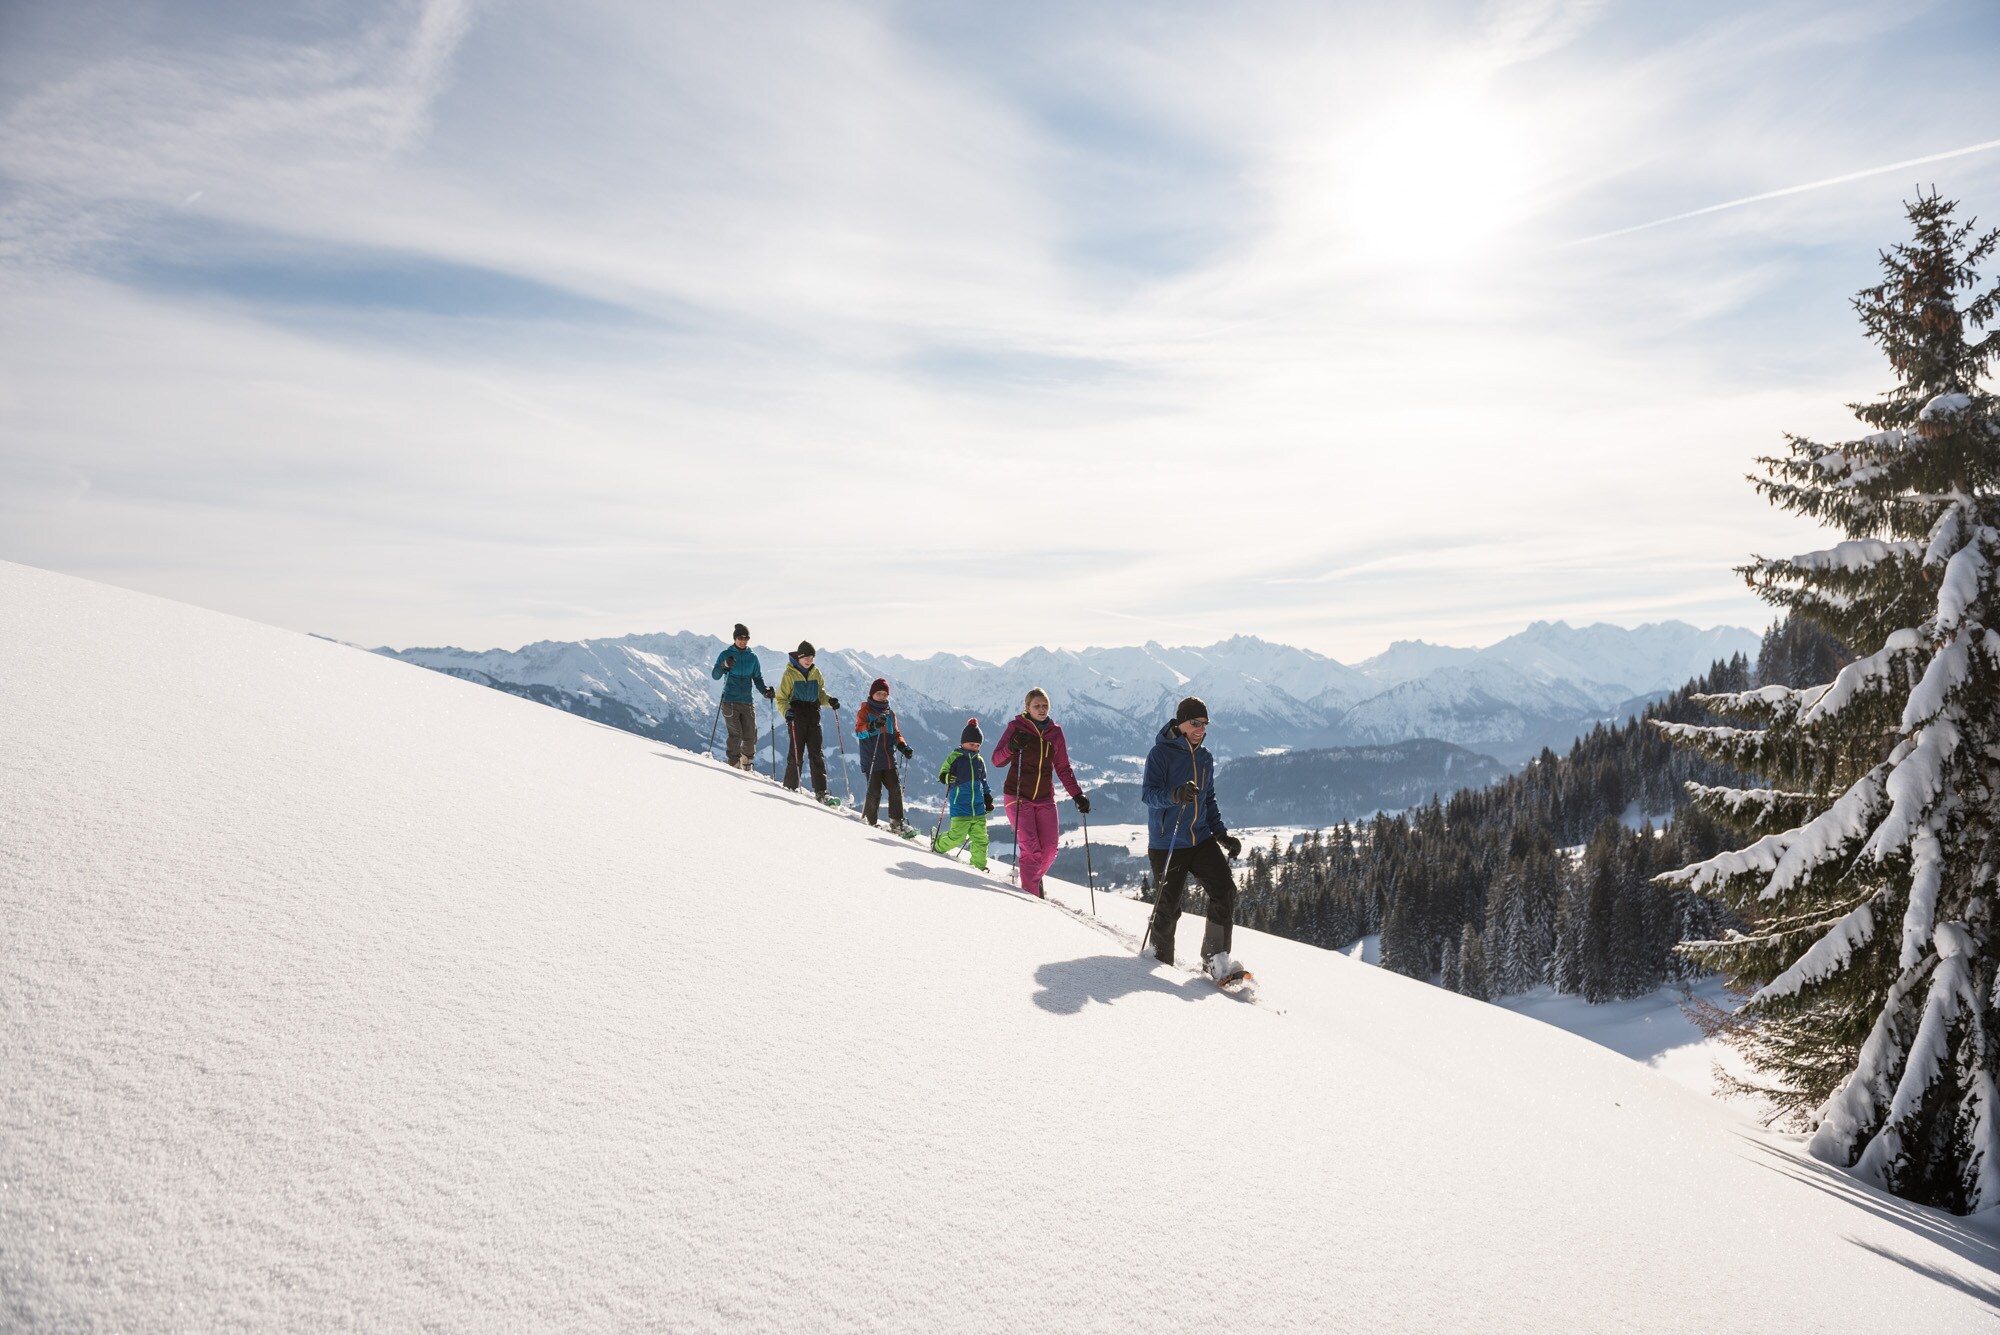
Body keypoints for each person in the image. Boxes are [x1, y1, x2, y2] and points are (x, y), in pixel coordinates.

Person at [1141, 695, 1244, 980]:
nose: (1201, 729)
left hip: (1200, 839)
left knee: (1224, 890)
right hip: (1168, 842)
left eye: (1205, 724)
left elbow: (1208, 799)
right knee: (1168, 907)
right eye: (1195, 723)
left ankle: (1215, 959)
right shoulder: (1160, 754)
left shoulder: (1205, 757)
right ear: (1181, 722)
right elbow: (1148, 795)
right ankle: (1160, 961)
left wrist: (1221, 834)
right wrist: (1175, 795)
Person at [990, 687, 1089, 899]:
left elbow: (1063, 767)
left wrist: (1077, 794)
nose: (1042, 709)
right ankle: (1032, 900)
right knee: (1031, 850)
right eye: (1037, 706)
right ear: (1027, 707)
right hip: (1017, 796)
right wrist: (1012, 746)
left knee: (1050, 850)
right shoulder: (1016, 727)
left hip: (1045, 798)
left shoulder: (1055, 733)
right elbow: (997, 760)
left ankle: (1031, 881)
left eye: (1045, 705)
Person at [775, 641, 841, 801]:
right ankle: (790, 787)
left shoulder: (816, 672)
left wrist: (830, 701)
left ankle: (821, 791)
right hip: (796, 718)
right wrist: (787, 712)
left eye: (812, 658)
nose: (809, 661)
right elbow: (781, 699)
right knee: (796, 754)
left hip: (813, 717)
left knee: (816, 754)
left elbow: (820, 694)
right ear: (799, 657)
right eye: (807, 658)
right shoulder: (789, 674)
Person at [710, 624, 774, 772]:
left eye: (746, 638)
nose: (743, 641)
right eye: (740, 638)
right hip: (729, 701)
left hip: (747, 701)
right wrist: (724, 665)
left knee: (751, 735)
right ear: (735, 638)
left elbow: (757, 678)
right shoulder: (726, 654)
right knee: (736, 734)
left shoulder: (753, 657)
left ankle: (746, 765)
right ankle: (733, 765)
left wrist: (765, 691)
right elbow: (715, 675)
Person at [932, 718, 994, 870]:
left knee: (981, 839)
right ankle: (937, 845)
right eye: (972, 744)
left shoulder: (980, 761)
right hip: (960, 805)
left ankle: (978, 866)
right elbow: (943, 773)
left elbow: (984, 781)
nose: (975, 747)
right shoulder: (955, 757)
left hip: (978, 807)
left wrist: (987, 798)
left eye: (978, 745)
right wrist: (947, 777)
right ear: (964, 742)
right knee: (957, 837)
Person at [855, 677, 914, 833]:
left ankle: (896, 822)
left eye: (884, 694)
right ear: (872, 694)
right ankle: (870, 821)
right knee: (874, 792)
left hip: (888, 760)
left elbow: (895, 734)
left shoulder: (890, 714)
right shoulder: (865, 711)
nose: (882, 696)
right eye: (878, 693)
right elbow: (859, 732)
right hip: (872, 759)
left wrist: (903, 746)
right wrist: (873, 725)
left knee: (895, 789)